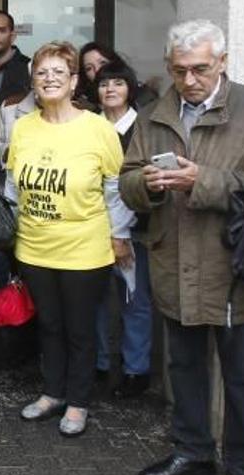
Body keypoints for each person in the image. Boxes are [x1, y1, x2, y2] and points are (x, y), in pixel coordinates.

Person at [120, 20, 244, 475]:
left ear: (223, 62)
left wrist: (204, 180)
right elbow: (127, 178)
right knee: (185, 368)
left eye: (200, 69)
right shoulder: (154, 114)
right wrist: (147, 185)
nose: (189, 80)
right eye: (179, 70)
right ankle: (192, 452)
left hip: (237, 267)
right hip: (174, 260)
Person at [6, 41, 131, 437]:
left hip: (84, 249)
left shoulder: (98, 129)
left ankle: (78, 402)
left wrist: (119, 235)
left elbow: (115, 189)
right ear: (33, 81)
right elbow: (13, 185)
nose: (49, 80)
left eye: (59, 72)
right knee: (49, 325)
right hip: (34, 246)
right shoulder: (23, 126)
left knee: (79, 329)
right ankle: (52, 393)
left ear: (75, 80)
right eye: (42, 73)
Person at [92, 59, 154, 399]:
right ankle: (99, 364)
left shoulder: (143, 127)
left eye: (117, 83)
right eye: (103, 84)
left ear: (130, 88)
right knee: (97, 300)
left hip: (136, 228)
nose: (110, 89)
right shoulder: (89, 125)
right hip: (91, 229)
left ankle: (136, 370)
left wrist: (122, 232)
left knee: (135, 299)